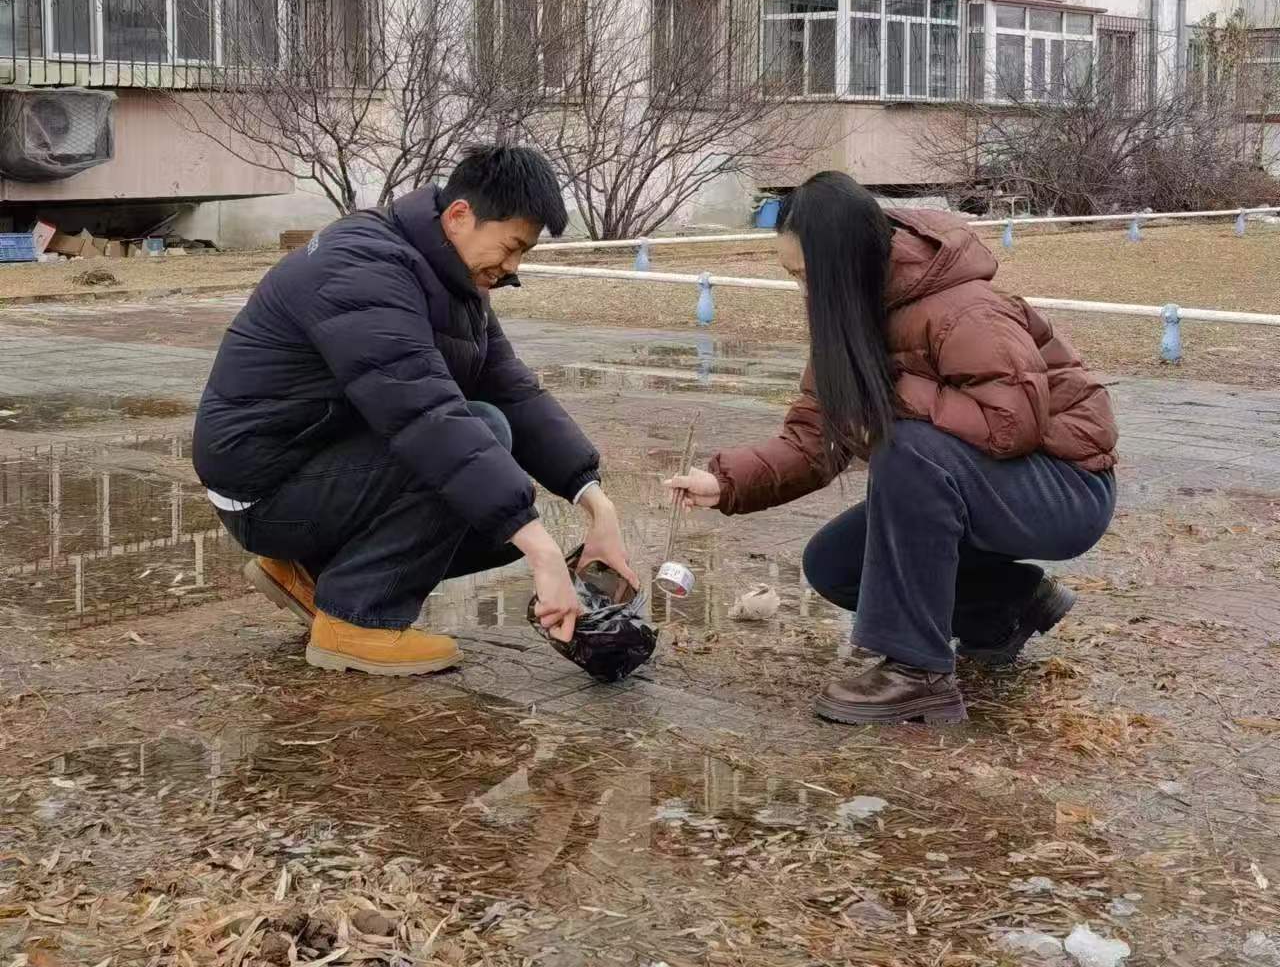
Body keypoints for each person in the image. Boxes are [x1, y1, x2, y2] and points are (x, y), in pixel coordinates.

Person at [666, 173, 1117, 726]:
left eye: (807, 275)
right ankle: (1007, 604)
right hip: (988, 484)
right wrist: (726, 481)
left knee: (905, 446)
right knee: (835, 565)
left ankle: (917, 672)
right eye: (792, 276)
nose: (803, 292)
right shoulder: (851, 318)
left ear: (843, 262)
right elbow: (815, 437)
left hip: (1064, 488)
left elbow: (1013, 425)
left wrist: (892, 394)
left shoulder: (963, 309)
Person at [194, 146, 636, 676]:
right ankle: (356, 619)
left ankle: (306, 574)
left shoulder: (449, 274)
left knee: (499, 513)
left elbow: (512, 389)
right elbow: (424, 414)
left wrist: (597, 505)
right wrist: (543, 552)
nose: (512, 267)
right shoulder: (362, 267)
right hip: (262, 489)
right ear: (460, 216)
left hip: (312, 461)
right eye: (512, 247)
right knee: (485, 453)